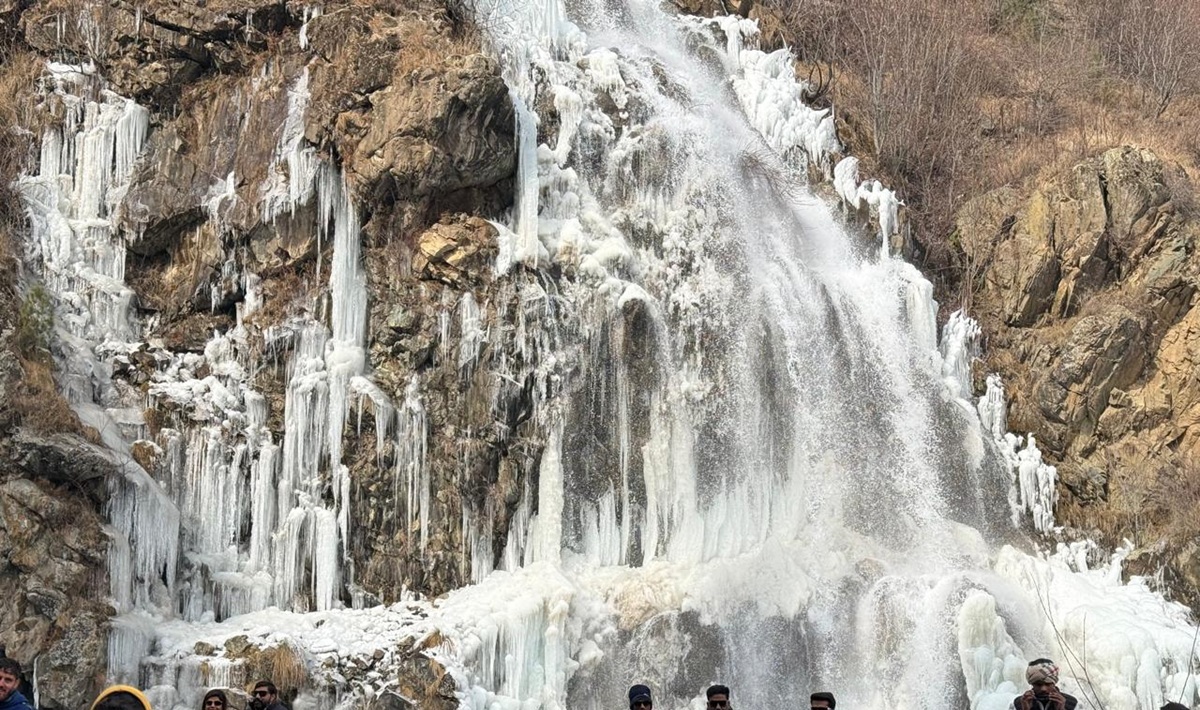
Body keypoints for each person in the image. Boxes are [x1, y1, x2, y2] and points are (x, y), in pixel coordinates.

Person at [1013, 659, 1077, 710]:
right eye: (1038, 684)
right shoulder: (1018, 703)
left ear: (1054, 682)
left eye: (1048, 684)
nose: (1043, 689)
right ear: (1032, 683)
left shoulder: (1072, 703)